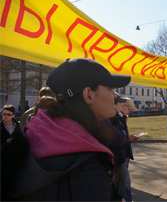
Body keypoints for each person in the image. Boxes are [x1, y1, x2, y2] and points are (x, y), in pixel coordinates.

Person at [8, 58, 131, 201]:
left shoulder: (31, 134)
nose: (115, 96)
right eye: (110, 88)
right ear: (89, 94)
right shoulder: (88, 166)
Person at [110, 93, 138, 202]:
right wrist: (128, 138)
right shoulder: (115, 118)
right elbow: (116, 138)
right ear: (119, 106)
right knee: (124, 182)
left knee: (122, 181)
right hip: (119, 155)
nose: (129, 110)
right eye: (127, 107)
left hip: (124, 154)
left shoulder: (121, 117)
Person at [1, 104, 27, 201]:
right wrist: (6, 143)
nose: (5, 117)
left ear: (13, 115)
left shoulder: (18, 128)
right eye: (3, 114)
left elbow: (23, 144)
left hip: (15, 164)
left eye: (8, 114)